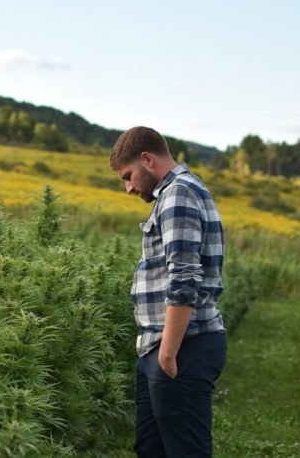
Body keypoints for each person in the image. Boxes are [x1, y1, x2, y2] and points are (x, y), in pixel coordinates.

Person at [110, 126, 226, 458]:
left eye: (128, 176)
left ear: (147, 159)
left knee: (184, 451)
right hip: (164, 347)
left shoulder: (178, 194)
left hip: (182, 346)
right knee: (151, 449)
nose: (129, 187)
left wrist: (168, 354)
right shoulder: (179, 192)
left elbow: (185, 276)